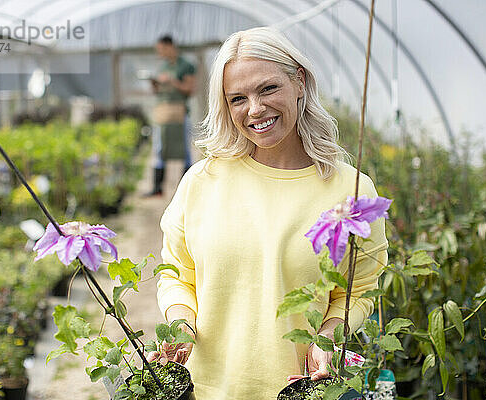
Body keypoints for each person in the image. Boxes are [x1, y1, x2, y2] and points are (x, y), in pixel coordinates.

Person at [148, 27, 388, 399]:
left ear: (300, 82)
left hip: (297, 388)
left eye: (268, 89)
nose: (255, 109)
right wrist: (182, 324)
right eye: (237, 98)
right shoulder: (202, 181)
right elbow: (177, 274)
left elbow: (358, 289)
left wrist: (327, 336)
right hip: (208, 389)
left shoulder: (351, 192)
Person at [146, 35, 196, 196]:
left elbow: (189, 89)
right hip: (164, 112)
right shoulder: (163, 67)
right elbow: (157, 92)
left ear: (170, 46)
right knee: (159, 148)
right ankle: (157, 188)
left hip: (179, 113)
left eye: (161, 49)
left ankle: (187, 188)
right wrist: (155, 84)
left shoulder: (186, 66)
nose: (159, 52)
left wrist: (172, 81)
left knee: (185, 150)